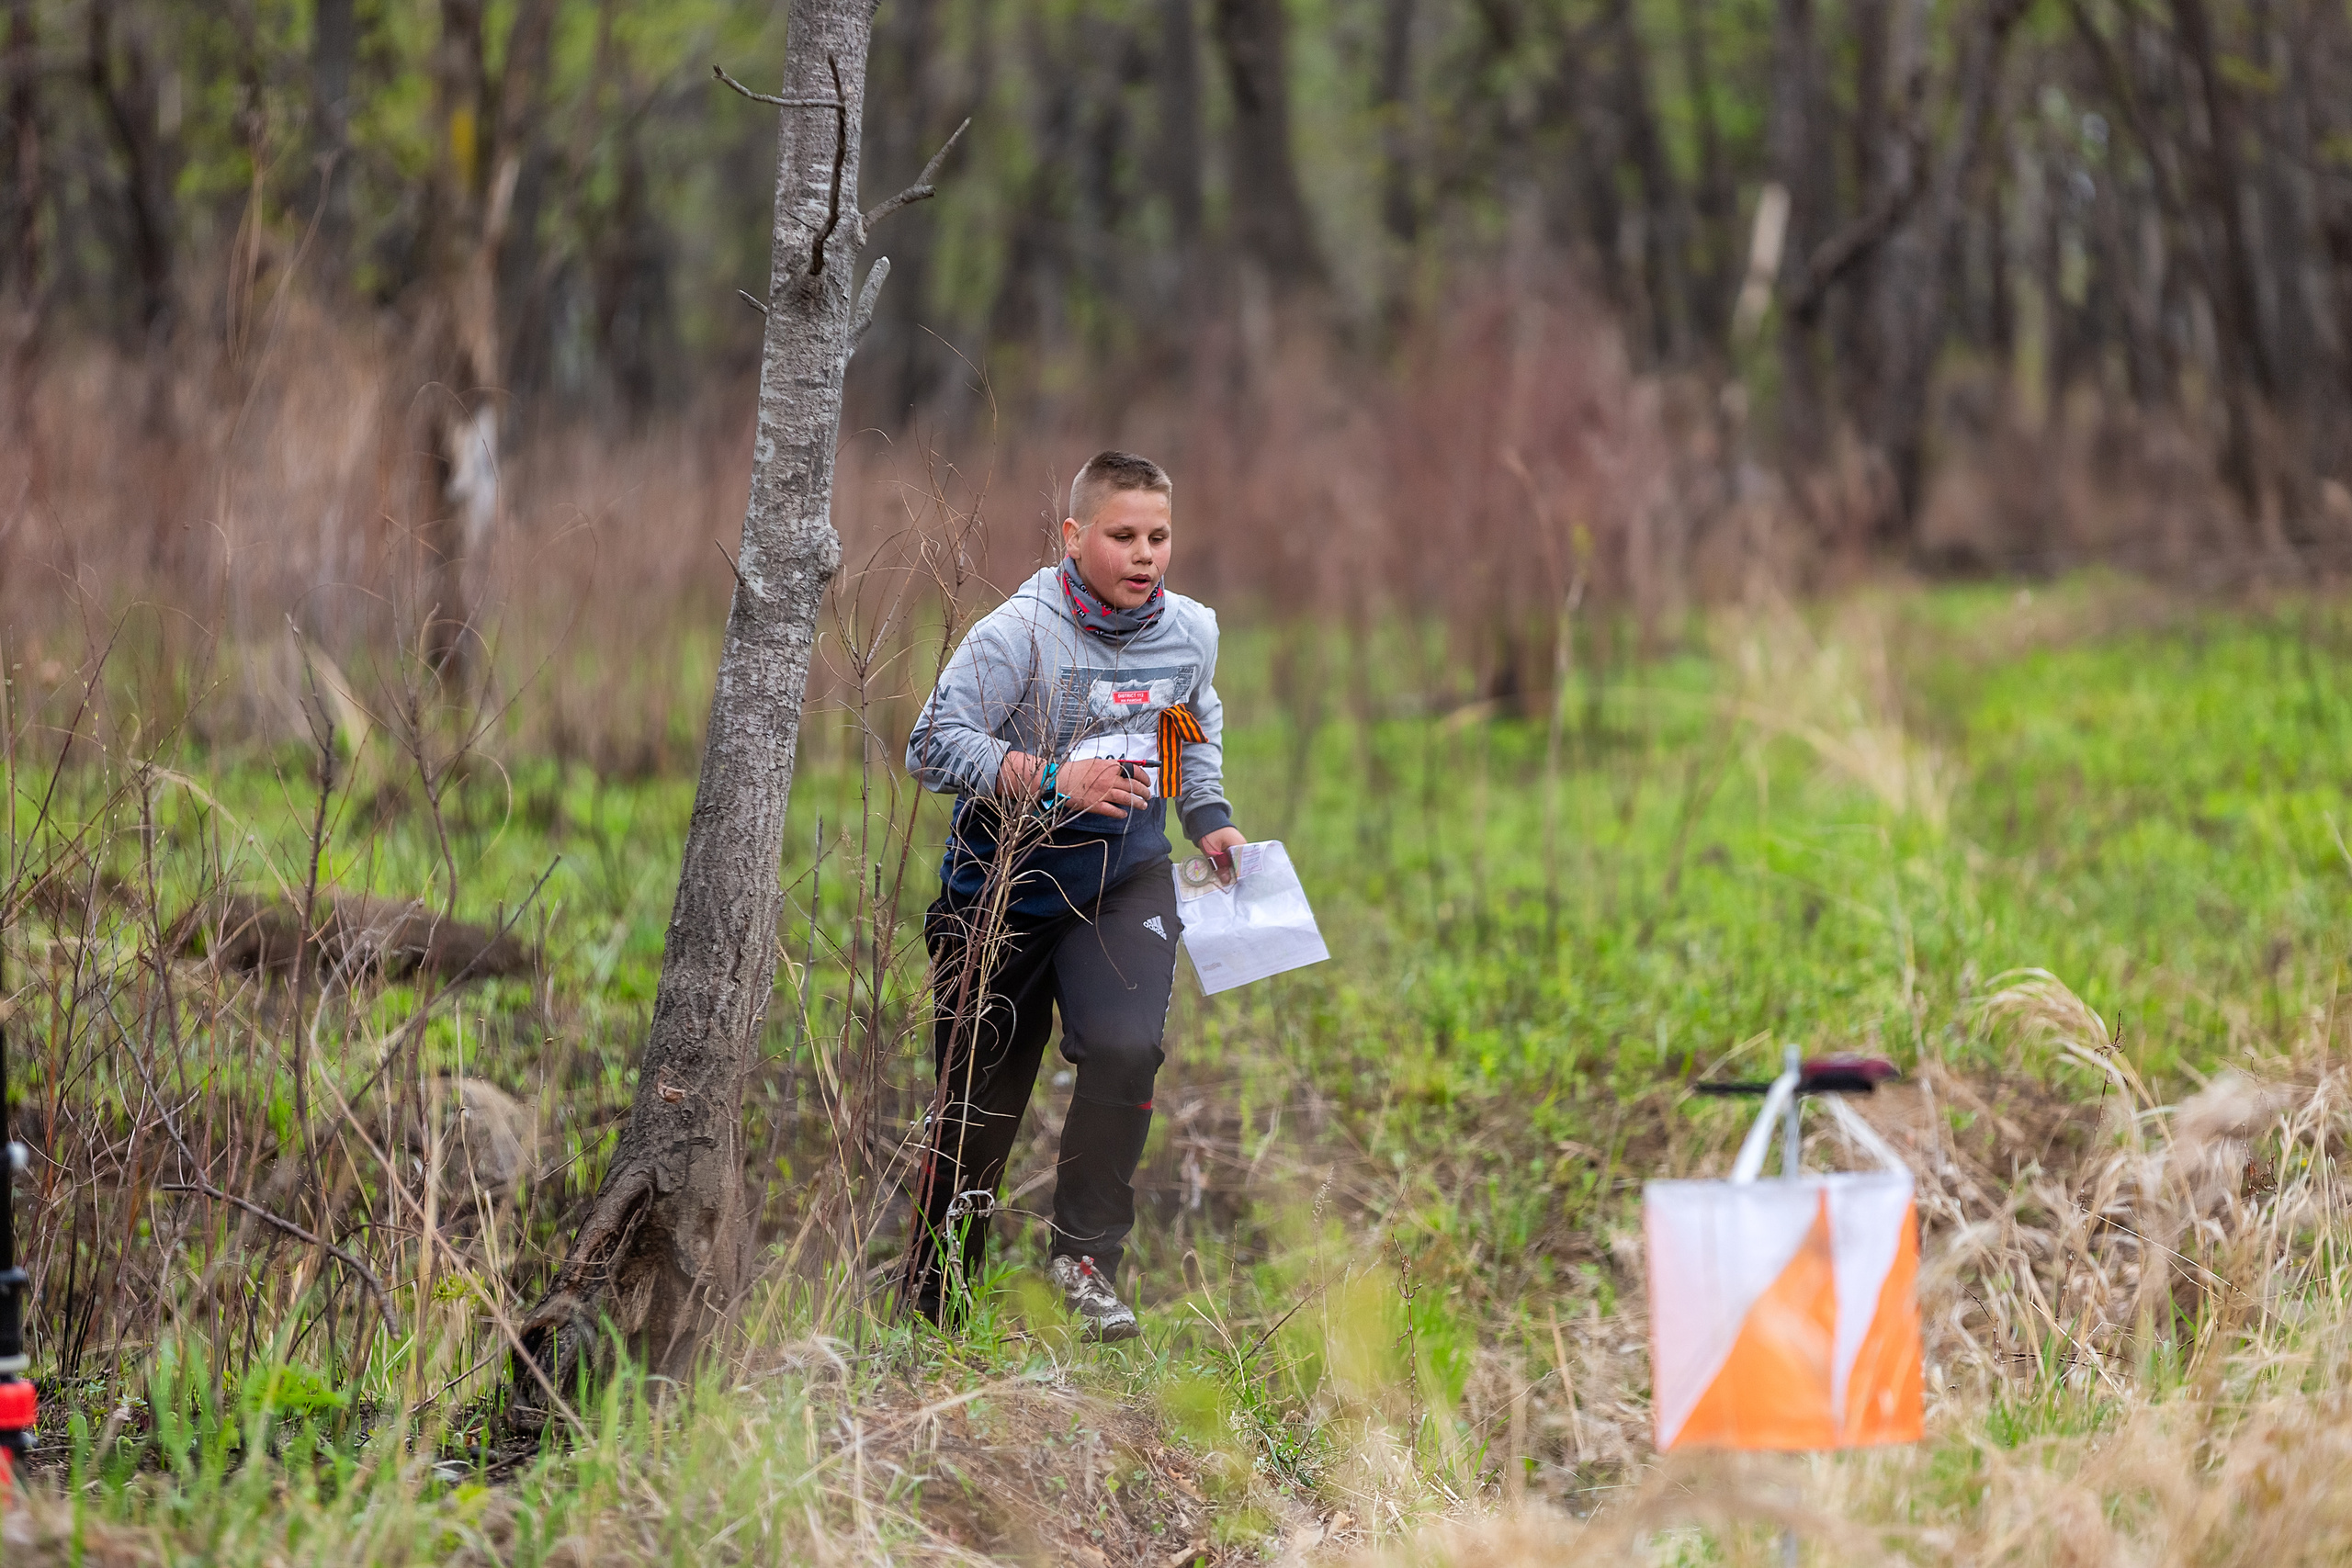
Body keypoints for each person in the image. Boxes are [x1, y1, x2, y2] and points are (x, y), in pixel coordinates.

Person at [902, 450, 1247, 1340]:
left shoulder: (1190, 632)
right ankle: (937, 1301)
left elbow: (1185, 723)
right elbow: (932, 744)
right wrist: (1056, 778)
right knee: (979, 1105)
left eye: (1158, 536)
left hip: (1123, 879)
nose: (1144, 555)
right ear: (1073, 536)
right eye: (1122, 535)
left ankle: (1084, 1259)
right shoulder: (1018, 634)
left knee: (1129, 1047)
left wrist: (1205, 813)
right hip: (1002, 892)